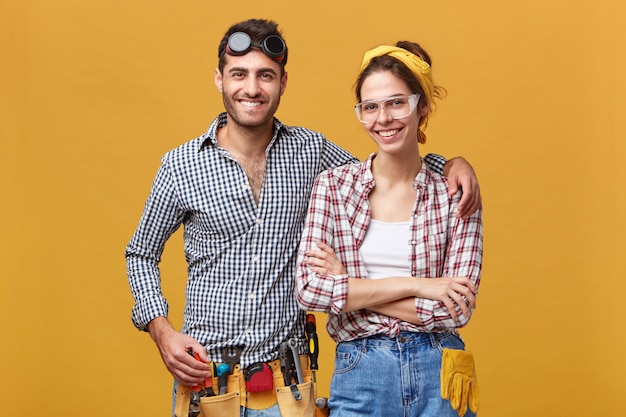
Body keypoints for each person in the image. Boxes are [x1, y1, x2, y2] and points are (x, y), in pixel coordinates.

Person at [125, 19, 481, 417]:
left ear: (283, 82)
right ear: (219, 79)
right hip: (207, 378)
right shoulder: (181, 165)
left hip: (287, 386)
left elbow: (386, 165)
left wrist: (449, 163)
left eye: (266, 76)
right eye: (239, 74)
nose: (252, 88)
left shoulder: (311, 152)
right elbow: (140, 253)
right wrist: (162, 332)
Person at [295, 41, 482, 417]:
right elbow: (309, 289)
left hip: (440, 370)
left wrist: (350, 286)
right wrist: (419, 285)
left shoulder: (454, 192)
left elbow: (456, 311)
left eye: (397, 102)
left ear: (422, 105)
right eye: (371, 107)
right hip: (361, 372)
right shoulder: (333, 187)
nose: (383, 118)